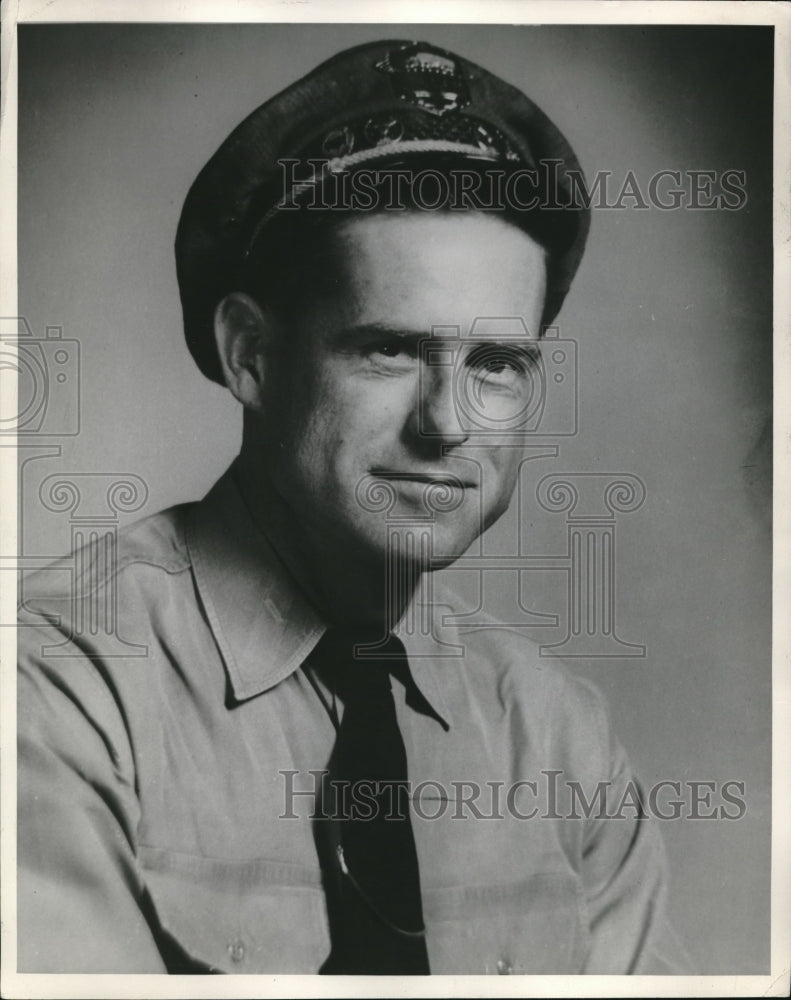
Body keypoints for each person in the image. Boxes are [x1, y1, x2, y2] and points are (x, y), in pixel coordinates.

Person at [17, 39, 685, 974]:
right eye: (390, 350)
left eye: (497, 365)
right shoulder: (55, 697)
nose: (448, 424)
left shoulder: (554, 736)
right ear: (251, 354)